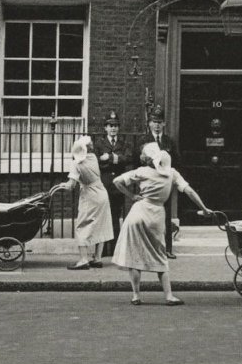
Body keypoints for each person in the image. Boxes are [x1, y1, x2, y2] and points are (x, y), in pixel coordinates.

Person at [112, 142, 213, 306]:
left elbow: (117, 181)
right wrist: (204, 208)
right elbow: (189, 191)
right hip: (156, 215)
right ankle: (169, 296)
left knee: (134, 256)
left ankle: (136, 295)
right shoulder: (172, 173)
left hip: (138, 212)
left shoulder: (142, 171)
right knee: (160, 254)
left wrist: (132, 196)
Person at [53, 135, 114, 270]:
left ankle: (83, 259)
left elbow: (71, 185)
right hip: (102, 194)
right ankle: (97, 258)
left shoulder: (76, 164)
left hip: (89, 196)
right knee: (101, 224)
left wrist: (61, 185)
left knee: (82, 226)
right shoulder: (93, 158)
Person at [137, 104, 180, 259]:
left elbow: (176, 161)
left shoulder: (169, 141)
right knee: (148, 216)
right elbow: (137, 163)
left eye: (159, 122)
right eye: (154, 122)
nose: (156, 125)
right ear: (149, 123)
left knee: (166, 216)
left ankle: (167, 248)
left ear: (164, 124)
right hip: (149, 184)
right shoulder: (143, 141)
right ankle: (147, 248)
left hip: (165, 184)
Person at [92, 110, 132, 257]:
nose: (113, 128)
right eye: (110, 125)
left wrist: (109, 158)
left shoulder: (124, 143)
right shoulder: (99, 143)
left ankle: (115, 250)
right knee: (102, 217)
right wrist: (115, 159)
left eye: (116, 125)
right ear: (105, 128)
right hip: (104, 184)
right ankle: (100, 252)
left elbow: (128, 158)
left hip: (118, 186)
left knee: (116, 216)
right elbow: (97, 162)